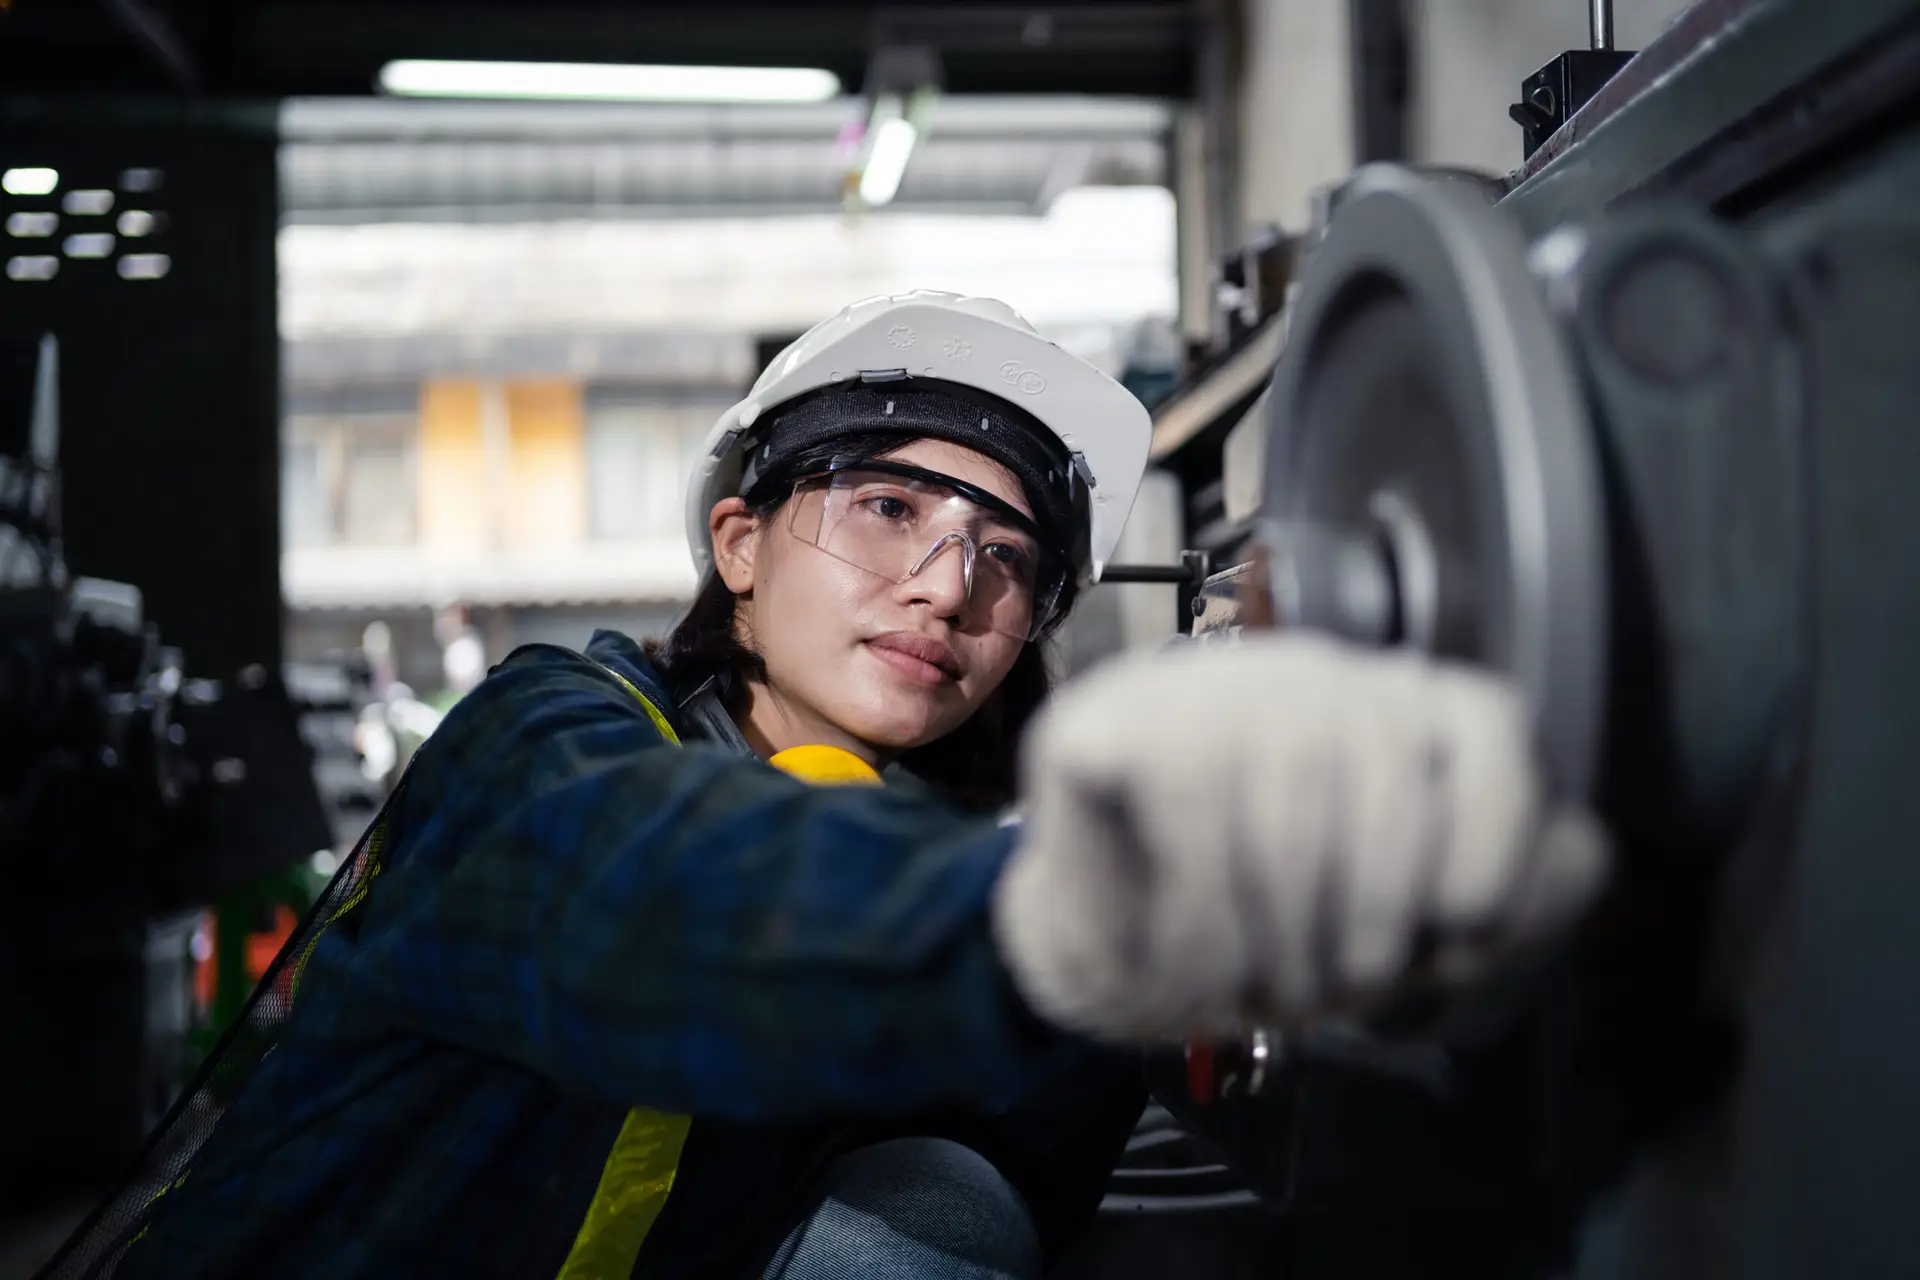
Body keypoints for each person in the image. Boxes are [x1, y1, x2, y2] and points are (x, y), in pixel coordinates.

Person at [90, 292, 1605, 1280]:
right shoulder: (549, 737)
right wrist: (1100, 897)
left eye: (1008, 562)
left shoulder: (921, 843)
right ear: (739, 548)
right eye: (886, 507)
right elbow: (676, 900)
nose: (948, 584)